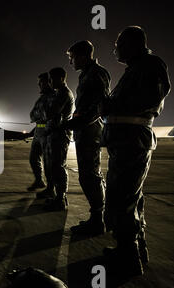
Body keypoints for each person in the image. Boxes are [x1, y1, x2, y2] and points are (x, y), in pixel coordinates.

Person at [101, 26, 171, 276]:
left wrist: (111, 104)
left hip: (132, 142)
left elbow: (151, 97)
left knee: (123, 198)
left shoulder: (150, 65)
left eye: (119, 43)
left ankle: (129, 259)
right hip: (124, 142)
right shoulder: (136, 69)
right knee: (128, 197)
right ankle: (132, 249)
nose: (116, 47)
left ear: (133, 43)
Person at [65, 41, 111, 236]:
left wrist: (75, 123)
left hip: (90, 131)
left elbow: (98, 106)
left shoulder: (96, 73)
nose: (71, 62)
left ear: (83, 56)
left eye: (72, 57)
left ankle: (98, 220)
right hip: (85, 130)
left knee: (90, 175)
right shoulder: (87, 74)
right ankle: (97, 217)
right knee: (88, 175)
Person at [41, 67, 75, 211]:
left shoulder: (63, 94)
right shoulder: (58, 93)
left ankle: (60, 198)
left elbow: (49, 112)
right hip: (53, 134)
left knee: (58, 166)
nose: (49, 83)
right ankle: (53, 192)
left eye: (52, 79)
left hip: (60, 134)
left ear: (61, 78)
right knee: (51, 165)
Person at [26, 73, 55, 192]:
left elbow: (48, 115)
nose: (39, 85)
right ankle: (39, 180)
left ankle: (50, 187)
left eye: (41, 82)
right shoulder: (42, 98)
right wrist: (40, 115)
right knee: (33, 158)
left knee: (48, 161)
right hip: (38, 131)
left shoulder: (54, 96)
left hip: (47, 132)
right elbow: (32, 115)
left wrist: (40, 115)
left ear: (48, 82)